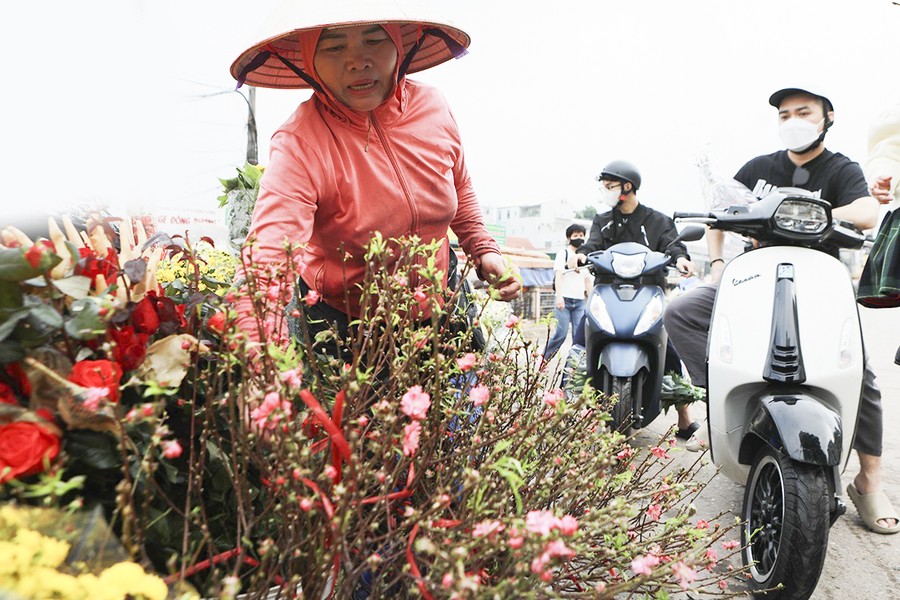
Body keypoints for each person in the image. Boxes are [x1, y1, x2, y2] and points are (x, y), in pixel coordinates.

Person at [664, 86, 899, 534]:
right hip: (754, 278)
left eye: (804, 111)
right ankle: (719, 403)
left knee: (860, 371)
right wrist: (716, 267)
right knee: (682, 311)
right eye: (785, 113)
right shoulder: (758, 168)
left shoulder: (841, 168)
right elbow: (718, 215)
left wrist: (805, 209)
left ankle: (868, 480)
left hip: (818, 285)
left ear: (827, 117)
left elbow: (868, 211)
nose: (794, 119)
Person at [228, 1, 521, 354]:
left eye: (374, 39)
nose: (357, 60)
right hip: (347, 327)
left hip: (440, 305)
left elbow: (458, 184)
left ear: (400, 45)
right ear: (308, 61)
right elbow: (268, 255)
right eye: (334, 47)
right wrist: (256, 350)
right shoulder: (301, 142)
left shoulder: (433, 106)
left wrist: (483, 249)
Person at [569, 160, 700, 440]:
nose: (606, 192)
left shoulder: (658, 220)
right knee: (580, 339)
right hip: (607, 290)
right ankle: (566, 405)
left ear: (627, 187)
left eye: (610, 187)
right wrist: (581, 254)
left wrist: (681, 259)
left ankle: (684, 418)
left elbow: (673, 245)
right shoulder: (602, 221)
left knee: (670, 347)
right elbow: (591, 245)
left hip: (648, 291)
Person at [542, 224, 592, 360]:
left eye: (581, 236)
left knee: (579, 336)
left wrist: (592, 299)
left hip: (579, 302)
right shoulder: (563, 253)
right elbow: (559, 275)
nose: (579, 238)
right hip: (564, 300)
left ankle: (573, 367)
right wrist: (559, 296)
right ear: (569, 238)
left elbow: (588, 281)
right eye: (576, 236)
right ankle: (543, 360)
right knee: (561, 333)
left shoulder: (585, 258)